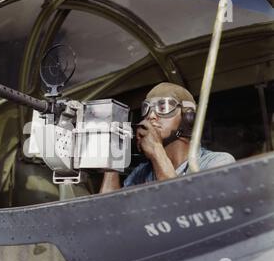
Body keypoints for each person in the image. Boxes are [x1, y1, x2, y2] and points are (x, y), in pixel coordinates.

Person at [100, 82, 235, 193]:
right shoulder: (141, 173)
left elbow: (181, 208)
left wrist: (156, 150)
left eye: (163, 107)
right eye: (146, 109)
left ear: (188, 118)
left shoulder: (217, 163)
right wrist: (112, 161)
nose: (151, 116)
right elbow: (108, 213)